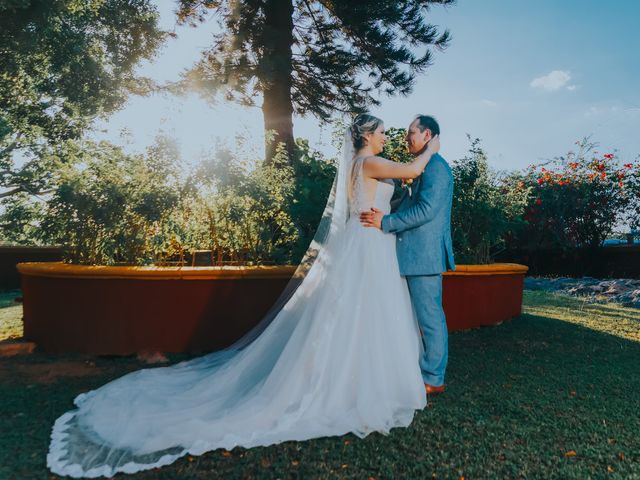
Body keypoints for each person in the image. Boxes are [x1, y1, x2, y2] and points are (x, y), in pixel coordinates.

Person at [47, 113, 440, 478]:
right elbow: (413, 169)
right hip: (368, 245)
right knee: (364, 311)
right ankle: (355, 384)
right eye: (383, 131)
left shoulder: (361, 165)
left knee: (360, 313)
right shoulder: (368, 162)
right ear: (367, 136)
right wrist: (432, 149)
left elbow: (395, 185)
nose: (388, 136)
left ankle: (358, 374)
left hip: (368, 242)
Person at [360, 115, 455, 394]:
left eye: (411, 132)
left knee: (430, 318)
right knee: (413, 318)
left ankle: (433, 379)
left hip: (424, 256)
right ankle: (414, 369)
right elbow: (409, 204)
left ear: (427, 135)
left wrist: (385, 222)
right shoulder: (424, 168)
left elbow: (426, 211)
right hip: (409, 254)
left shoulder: (437, 168)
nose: (406, 138)